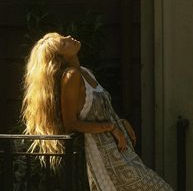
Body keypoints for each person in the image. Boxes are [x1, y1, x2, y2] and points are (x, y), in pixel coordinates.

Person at [21, 32, 174, 191]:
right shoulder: (71, 77)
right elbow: (70, 123)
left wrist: (120, 122)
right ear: (61, 57)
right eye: (63, 43)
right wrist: (111, 127)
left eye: (64, 37)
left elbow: (99, 111)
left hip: (121, 150)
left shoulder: (85, 72)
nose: (68, 37)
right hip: (105, 157)